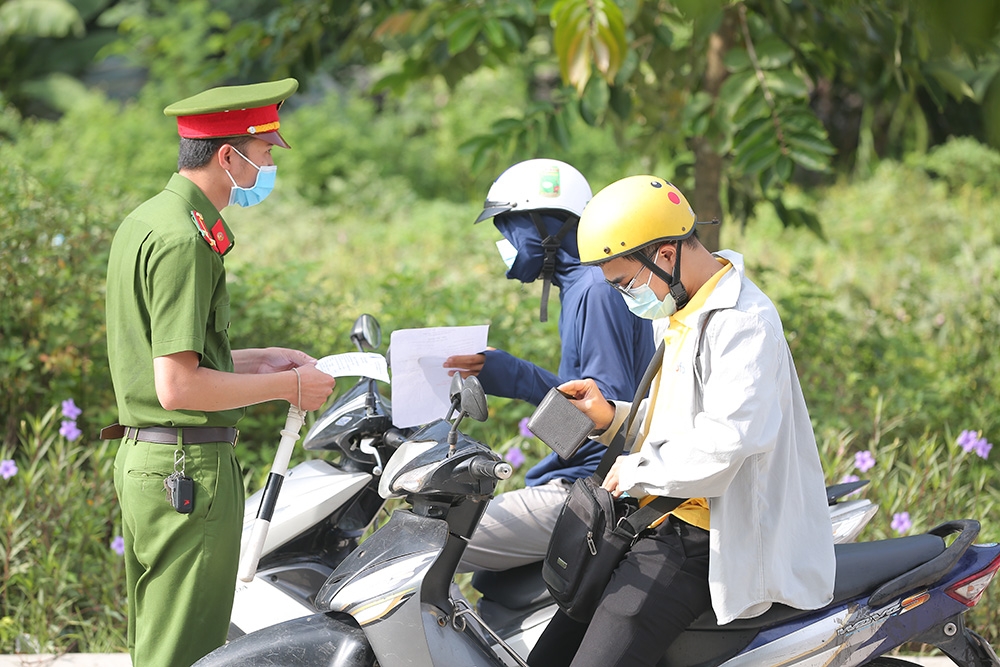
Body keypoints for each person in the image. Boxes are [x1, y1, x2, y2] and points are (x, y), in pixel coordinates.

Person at [526, 175, 836, 667]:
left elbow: (728, 441)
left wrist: (637, 470)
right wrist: (610, 417)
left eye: (626, 282)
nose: (628, 297)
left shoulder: (741, 323)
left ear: (665, 254)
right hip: (652, 519)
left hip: (701, 537)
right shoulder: (681, 308)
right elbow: (684, 419)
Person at [104, 78, 337, 667]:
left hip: (155, 462)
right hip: (186, 467)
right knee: (184, 652)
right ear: (227, 156)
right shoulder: (186, 241)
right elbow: (178, 387)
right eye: (262, 156)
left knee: (161, 639)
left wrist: (261, 361)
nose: (266, 170)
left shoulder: (149, 219)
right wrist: (290, 387)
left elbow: (166, 361)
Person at [444, 159, 655, 572]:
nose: (503, 240)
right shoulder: (581, 285)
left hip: (591, 486)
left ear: (547, 227)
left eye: (509, 227)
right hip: (579, 478)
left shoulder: (595, 290)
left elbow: (600, 417)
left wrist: (513, 376)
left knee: (431, 546)